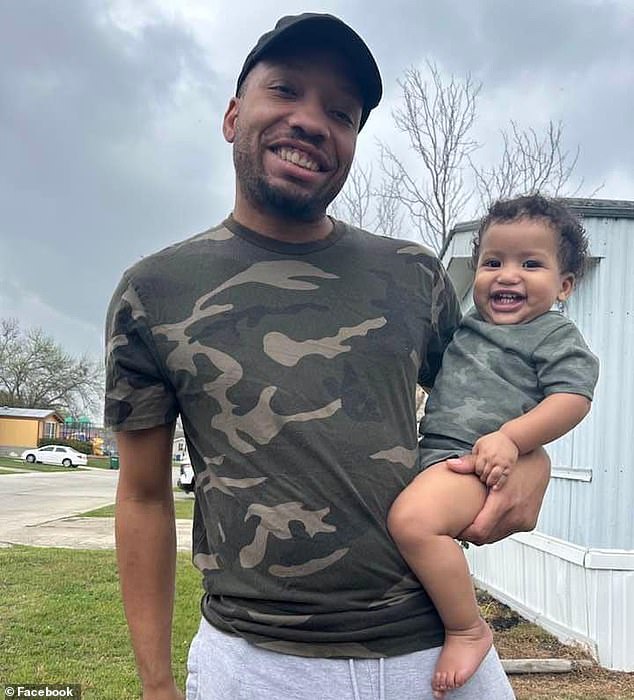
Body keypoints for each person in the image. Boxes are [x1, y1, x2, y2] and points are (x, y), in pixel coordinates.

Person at [104, 13, 550, 700]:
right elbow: (140, 496)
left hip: (436, 652)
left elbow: (495, 402)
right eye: (284, 90)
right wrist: (158, 685)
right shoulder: (153, 293)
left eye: (340, 112)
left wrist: (534, 459)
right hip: (256, 664)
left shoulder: (411, 273)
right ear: (232, 115)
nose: (312, 121)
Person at [388, 194, 599, 698]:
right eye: (493, 262)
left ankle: (467, 629)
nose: (508, 275)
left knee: (412, 523)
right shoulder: (468, 330)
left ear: (565, 286)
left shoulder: (553, 334)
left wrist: (514, 439)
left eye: (531, 263)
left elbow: (573, 398)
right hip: (436, 453)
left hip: (477, 465)